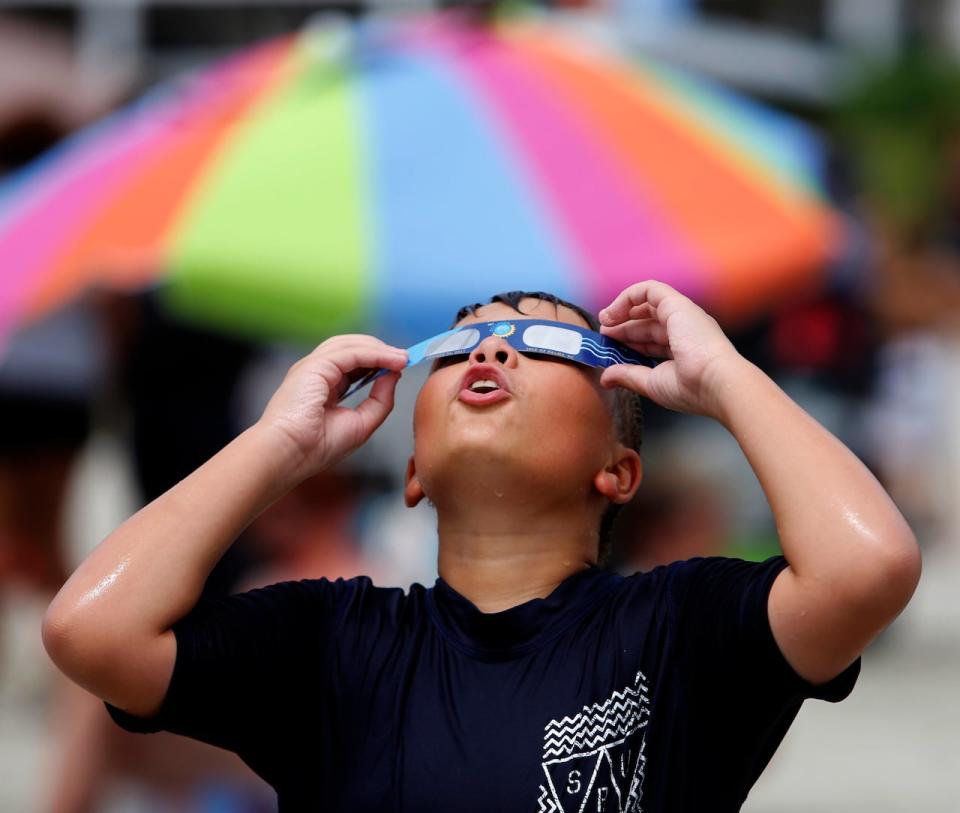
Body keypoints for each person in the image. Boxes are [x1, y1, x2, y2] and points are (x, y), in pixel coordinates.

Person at [41, 281, 921, 812]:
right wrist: (279, 446)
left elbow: (867, 564)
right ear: (414, 468)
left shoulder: (680, 628)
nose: (493, 344)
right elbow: (92, 628)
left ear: (618, 470)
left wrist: (727, 376)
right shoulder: (332, 641)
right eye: (462, 341)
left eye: (547, 342)